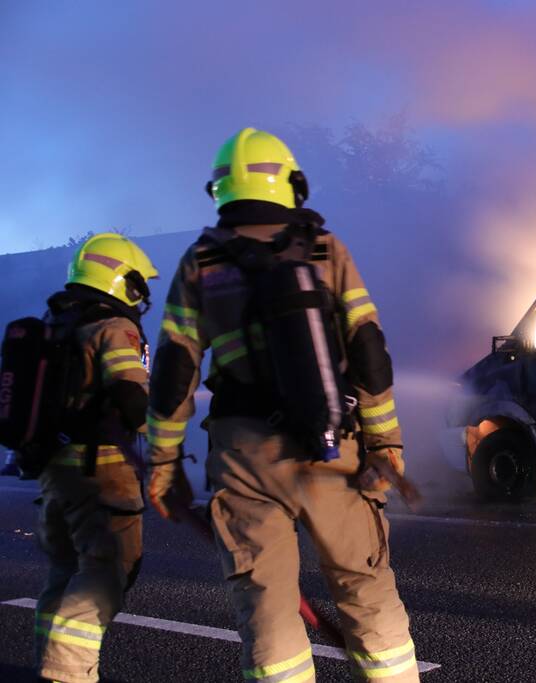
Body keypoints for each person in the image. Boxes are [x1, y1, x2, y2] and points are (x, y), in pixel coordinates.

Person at [146, 127, 419, 682]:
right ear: (292, 184)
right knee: (365, 591)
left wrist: (163, 465)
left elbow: (174, 374)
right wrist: (386, 443)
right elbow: (368, 350)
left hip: (246, 458)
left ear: (220, 189)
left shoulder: (201, 262)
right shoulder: (325, 249)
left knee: (268, 607)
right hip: (334, 447)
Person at [34, 233, 157, 683]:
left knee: (65, 570)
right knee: (106, 572)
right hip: (101, 472)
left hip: (55, 470)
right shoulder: (113, 328)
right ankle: (67, 675)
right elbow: (131, 395)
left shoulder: (56, 324)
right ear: (121, 280)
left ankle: (49, 667)